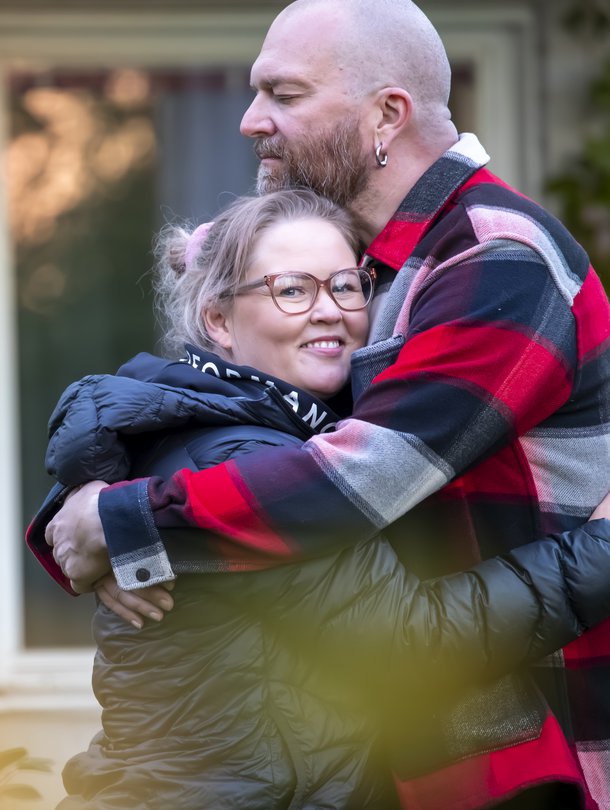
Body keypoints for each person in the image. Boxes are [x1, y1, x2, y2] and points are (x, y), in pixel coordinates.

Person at [34, 0, 610, 807]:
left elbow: (358, 478)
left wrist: (127, 523)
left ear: (386, 115)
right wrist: (88, 502)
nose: (248, 120)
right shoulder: (382, 264)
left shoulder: (494, 256)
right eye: (295, 288)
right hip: (419, 735)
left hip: (533, 736)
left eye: (285, 94)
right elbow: (196, 414)